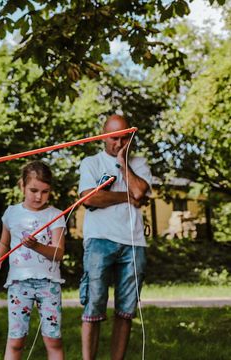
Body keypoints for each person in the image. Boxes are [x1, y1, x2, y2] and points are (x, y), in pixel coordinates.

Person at [78, 114, 151, 360]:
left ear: (130, 137)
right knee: (94, 305)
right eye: (113, 138)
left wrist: (123, 163)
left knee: (126, 310)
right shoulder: (91, 163)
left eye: (123, 138)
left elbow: (141, 190)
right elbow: (89, 199)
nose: (117, 143)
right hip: (99, 239)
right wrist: (128, 197)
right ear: (103, 136)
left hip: (134, 243)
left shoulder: (138, 164)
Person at [0, 160, 66, 360]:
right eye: (34, 190)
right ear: (22, 185)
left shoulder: (55, 215)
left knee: (53, 340)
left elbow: (59, 253)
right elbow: (4, 243)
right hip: (19, 284)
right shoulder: (12, 213)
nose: (39, 197)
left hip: (49, 285)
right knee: (16, 341)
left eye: (45, 192)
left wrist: (36, 246)